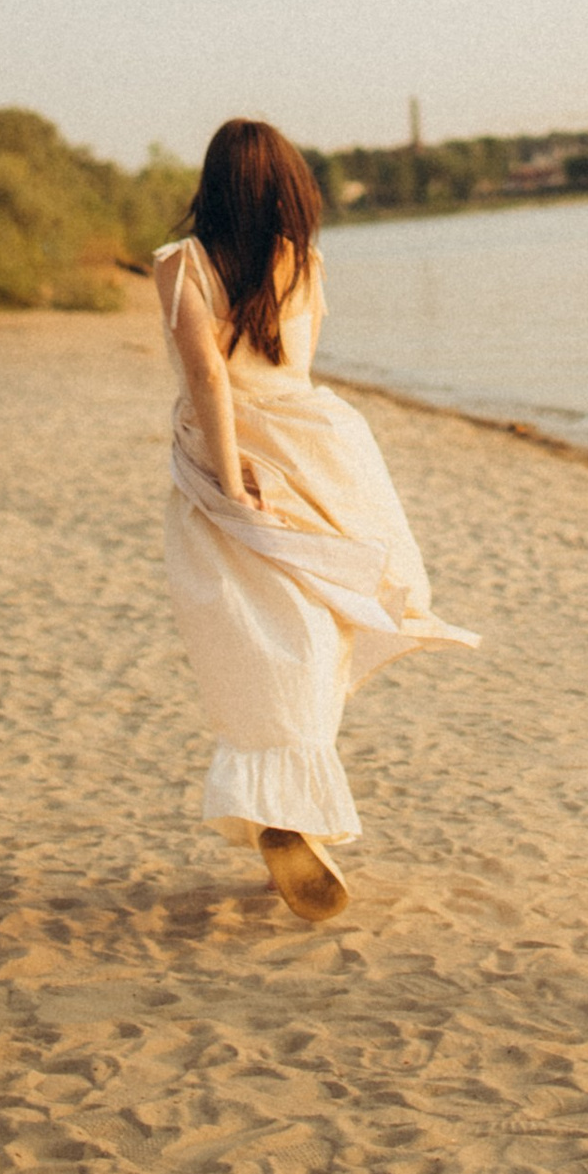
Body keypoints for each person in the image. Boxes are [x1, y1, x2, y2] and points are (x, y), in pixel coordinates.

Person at [154, 118, 476, 922]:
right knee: (323, 619)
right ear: (288, 187)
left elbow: (209, 375)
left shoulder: (180, 263)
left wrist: (228, 477)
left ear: (213, 183)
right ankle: (286, 815)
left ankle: (281, 813)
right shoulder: (301, 259)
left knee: (254, 630)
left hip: (233, 453)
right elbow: (290, 369)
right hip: (319, 445)